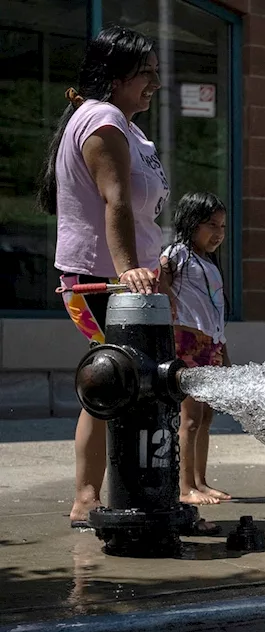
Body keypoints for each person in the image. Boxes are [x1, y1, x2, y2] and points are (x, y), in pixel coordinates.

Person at [37, 26, 171, 528]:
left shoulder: (127, 127)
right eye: (146, 73)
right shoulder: (103, 119)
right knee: (113, 382)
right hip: (100, 281)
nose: (155, 82)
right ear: (115, 77)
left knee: (121, 385)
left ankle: (111, 493)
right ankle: (90, 497)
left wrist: (154, 270)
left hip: (124, 280)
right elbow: (115, 199)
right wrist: (128, 272)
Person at [159, 192, 231, 509]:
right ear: (190, 222)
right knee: (188, 418)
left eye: (223, 226)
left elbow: (215, 314)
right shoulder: (177, 254)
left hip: (211, 345)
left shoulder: (209, 263)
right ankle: (184, 486)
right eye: (211, 225)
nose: (218, 233)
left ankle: (200, 480)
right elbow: (159, 284)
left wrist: (223, 353)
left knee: (206, 416)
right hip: (186, 343)